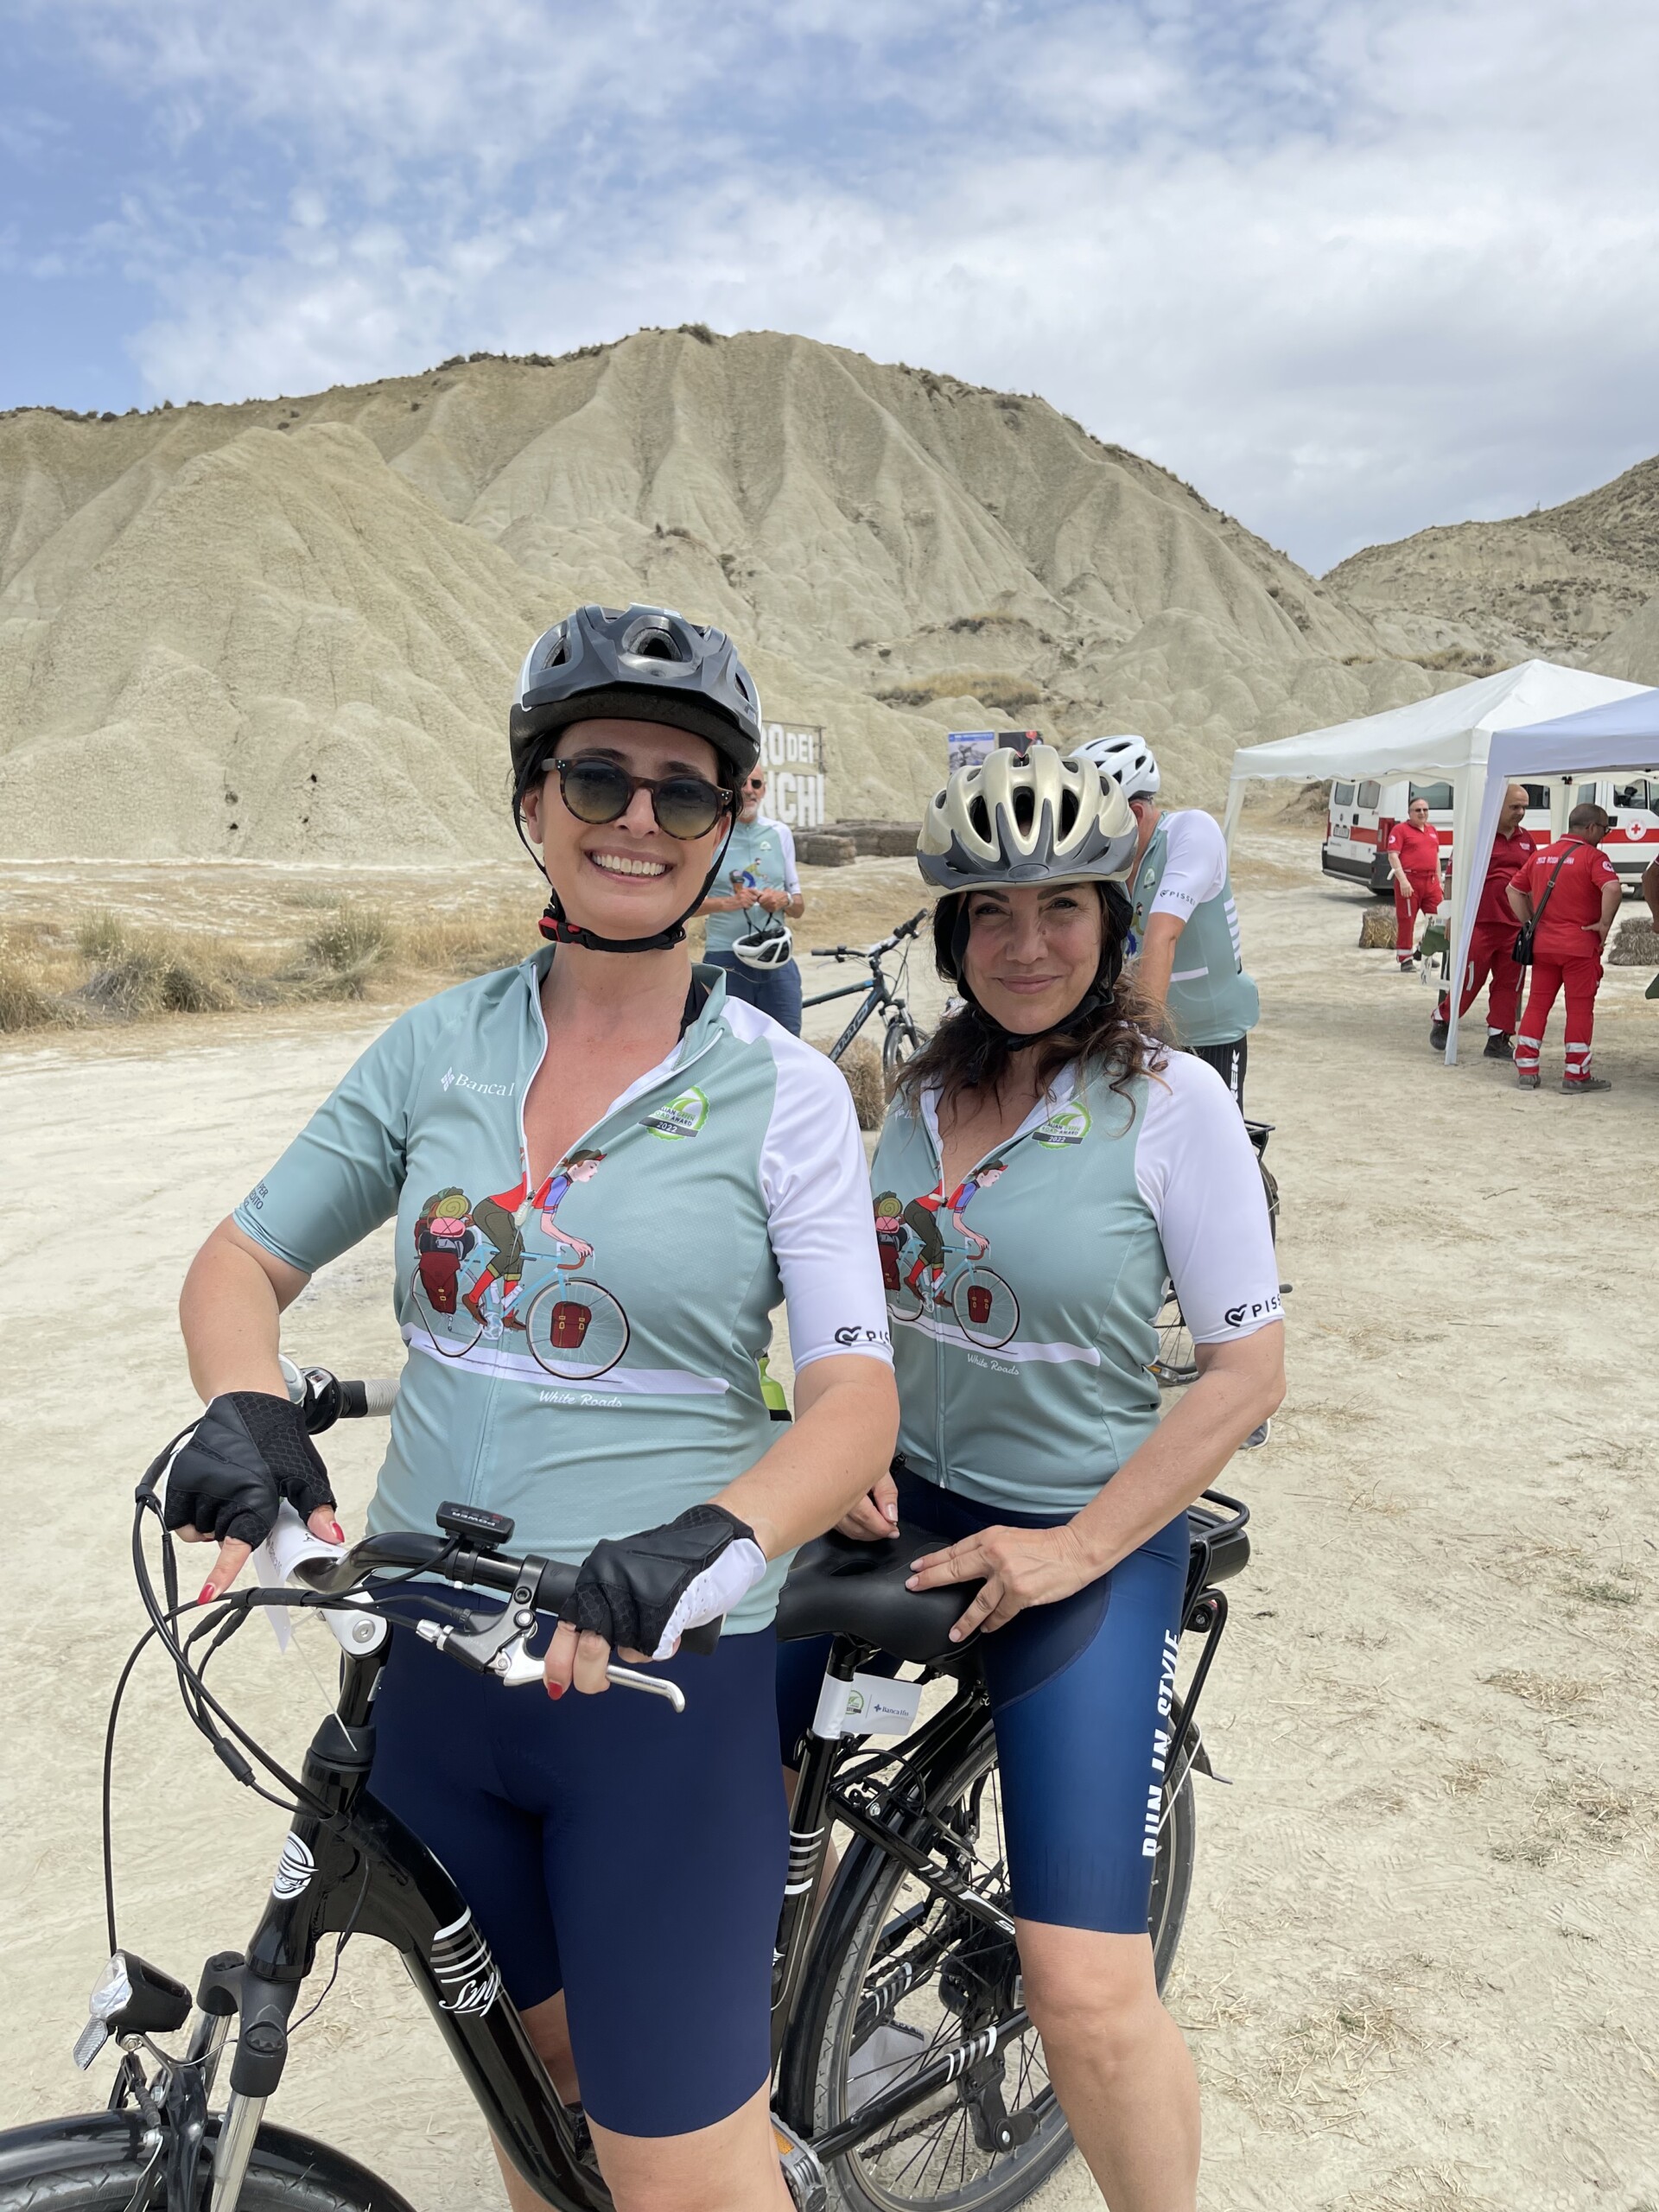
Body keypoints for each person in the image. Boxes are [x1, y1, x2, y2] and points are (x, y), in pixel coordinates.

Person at [168, 602, 898, 2212]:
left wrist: (714, 1538)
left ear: (729, 823)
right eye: (597, 779)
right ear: (532, 802)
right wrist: (248, 1416)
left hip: (653, 1682)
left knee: (677, 2174)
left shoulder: (782, 1092)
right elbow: (239, 1263)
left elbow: (852, 1401)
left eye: (684, 790)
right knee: (537, 2117)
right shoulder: (438, 1048)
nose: (639, 819)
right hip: (428, 1673)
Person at [779, 741, 1284, 2212]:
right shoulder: (918, 1096)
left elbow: (1245, 1376)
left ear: (1112, 923)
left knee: (1084, 1994)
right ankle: (802, 2026)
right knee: (715, 1784)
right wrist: (838, 1437)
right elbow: (854, 1310)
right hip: (900, 1500)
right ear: (952, 937)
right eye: (989, 914)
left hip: (1087, 1534)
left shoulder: (1173, 1105)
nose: (1025, 944)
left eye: (1062, 906)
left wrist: (1075, 1549)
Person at [1074, 734, 1260, 1108]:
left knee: (1215, 1137)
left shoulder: (1192, 831)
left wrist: (1138, 1041)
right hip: (1147, 1033)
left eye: (1095, 827)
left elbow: (1162, 936)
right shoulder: (1112, 866)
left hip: (1210, 1035)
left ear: (1135, 815)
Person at [1509, 800, 1623, 1095]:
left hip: (1544, 944)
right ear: (1591, 828)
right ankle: (1576, 1073)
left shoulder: (1541, 855)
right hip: (1580, 946)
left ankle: (1526, 1068)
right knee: (1580, 1009)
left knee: (1537, 1004)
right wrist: (1604, 924)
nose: (1605, 835)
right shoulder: (1594, 857)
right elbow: (1612, 888)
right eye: (1605, 829)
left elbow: (1513, 890)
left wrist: (1530, 922)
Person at [1428, 782, 1537, 1056]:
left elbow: (1535, 881)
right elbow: (1452, 877)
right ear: (1497, 806)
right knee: (1469, 980)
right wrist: (1450, 915)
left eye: (1524, 807)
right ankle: (1444, 1019)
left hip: (1515, 928)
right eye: (1515, 807)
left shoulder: (1527, 840)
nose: (1521, 812)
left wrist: (1535, 921)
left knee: (1509, 985)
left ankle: (1498, 1038)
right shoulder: (1477, 836)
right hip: (1479, 924)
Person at [696, 765, 806, 1033]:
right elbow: (686, 905)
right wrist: (728, 903)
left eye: (756, 784)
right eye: (742, 784)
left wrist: (784, 901)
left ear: (764, 790)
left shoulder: (780, 833)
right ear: (731, 789)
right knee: (726, 1044)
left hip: (776, 957)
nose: (749, 790)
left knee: (787, 1042)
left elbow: (799, 906)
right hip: (726, 958)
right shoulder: (711, 833)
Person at [1385, 795, 1445, 972]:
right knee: (1407, 920)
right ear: (1409, 813)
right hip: (1410, 881)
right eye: (1418, 810)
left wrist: (1439, 881)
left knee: (1438, 919)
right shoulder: (1400, 830)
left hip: (1431, 882)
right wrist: (1402, 880)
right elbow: (1393, 855)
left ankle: (1424, 949)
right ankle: (1405, 958)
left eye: (1425, 810)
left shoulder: (1432, 830)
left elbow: (1436, 857)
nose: (1422, 813)